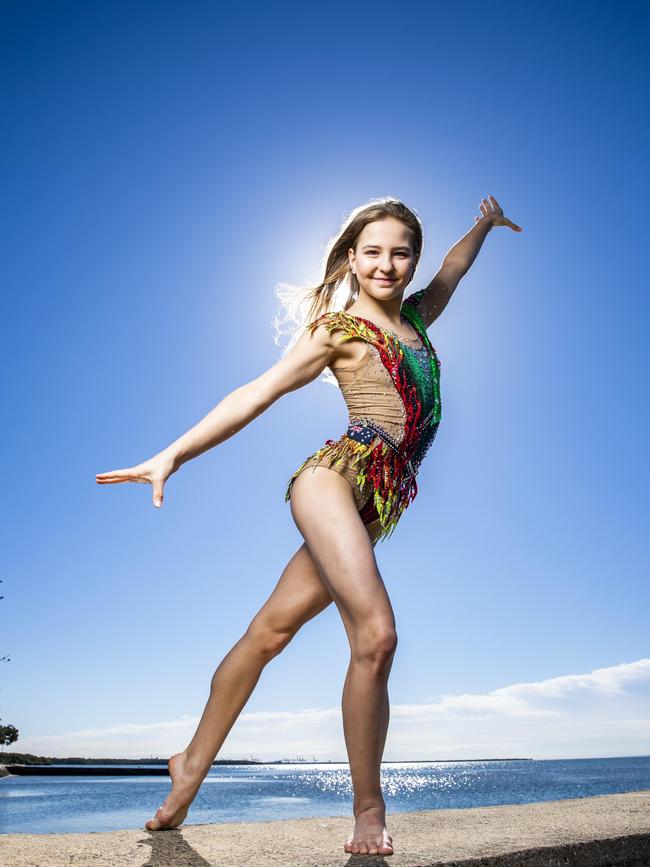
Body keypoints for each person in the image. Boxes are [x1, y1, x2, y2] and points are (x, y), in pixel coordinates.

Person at [95, 194, 522, 856]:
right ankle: (368, 807)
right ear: (352, 258)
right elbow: (255, 393)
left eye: (400, 252)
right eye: (373, 251)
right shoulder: (337, 329)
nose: (387, 263)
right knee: (377, 637)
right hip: (332, 481)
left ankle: (190, 764)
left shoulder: (418, 316)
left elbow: (454, 269)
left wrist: (483, 226)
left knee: (269, 633)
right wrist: (170, 455)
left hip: (379, 502)